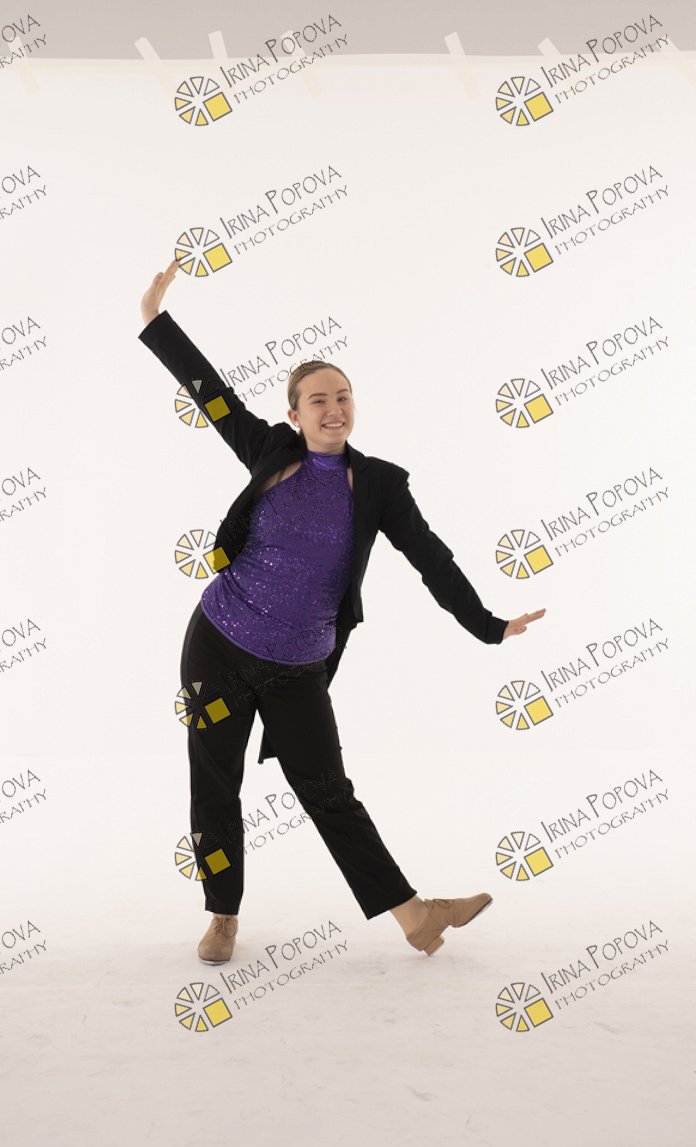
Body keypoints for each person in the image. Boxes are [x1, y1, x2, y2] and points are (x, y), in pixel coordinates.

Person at [138, 257, 546, 964]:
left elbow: (431, 558)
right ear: (294, 414)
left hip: (298, 665)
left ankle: (415, 916)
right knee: (215, 782)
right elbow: (210, 392)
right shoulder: (269, 451)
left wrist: (488, 623)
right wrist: (154, 317)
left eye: (344, 398)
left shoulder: (379, 484)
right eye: (319, 400)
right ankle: (223, 914)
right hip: (219, 643)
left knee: (330, 794)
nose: (334, 409)